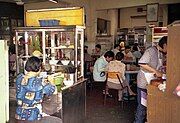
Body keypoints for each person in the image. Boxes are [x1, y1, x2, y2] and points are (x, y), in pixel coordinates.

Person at [15, 56, 62, 123]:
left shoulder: (19, 78)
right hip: (34, 117)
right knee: (58, 121)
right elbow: (53, 91)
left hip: (19, 116)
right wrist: (51, 82)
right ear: (39, 68)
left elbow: (29, 84)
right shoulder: (40, 83)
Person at [134, 36, 167, 123]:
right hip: (144, 81)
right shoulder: (151, 50)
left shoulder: (160, 53)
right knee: (142, 106)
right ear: (164, 45)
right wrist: (156, 71)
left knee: (149, 105)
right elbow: (141, 63)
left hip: (151, 81)